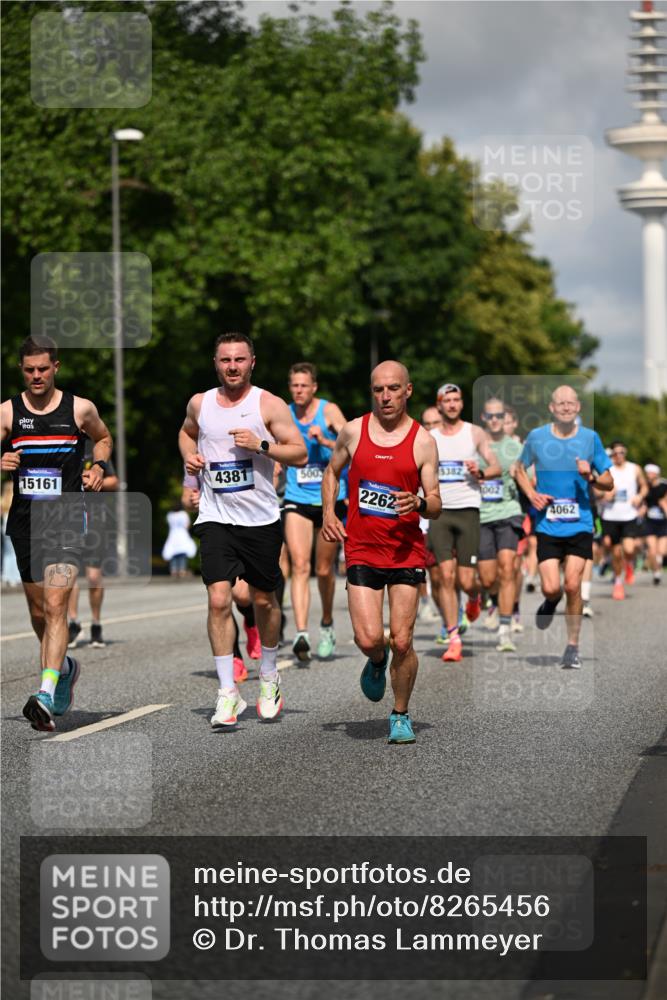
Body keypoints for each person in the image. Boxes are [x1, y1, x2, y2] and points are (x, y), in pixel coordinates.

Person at [178, 332, 307, 728]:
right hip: (215, 517)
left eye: (239, 359)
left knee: (264, 601)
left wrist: (261, 445)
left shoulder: (268, 404)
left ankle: (268, 675)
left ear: (252, 362)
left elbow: (299, 452)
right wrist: (190, 459)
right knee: (219, 600)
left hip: (260, 519)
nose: (232, 366)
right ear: (215, 364)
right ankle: (227, 692)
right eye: (225, 360)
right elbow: (185, 433)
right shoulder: (200, 403)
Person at [322, 360, 440, 745]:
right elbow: (331, 471)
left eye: (393, 389)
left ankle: (400, 714)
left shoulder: (423, 441)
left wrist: (419, 503)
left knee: (402, 641)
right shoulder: (353, 431)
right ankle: (376, 660)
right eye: (378, 390)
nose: (385, 397)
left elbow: (436, 502)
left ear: (408, 390)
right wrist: (328, 513)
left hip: (406, 551)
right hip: (362, 548)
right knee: (369, 638)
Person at [0, 336, 112, 731]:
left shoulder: (80, 408)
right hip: (25, 521)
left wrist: (98, 467)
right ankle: (64, 669)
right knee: (38, 613)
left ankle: (45, 692)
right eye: (29, 370)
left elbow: (103, 438)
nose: (37, 376)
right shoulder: (7, 413)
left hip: (67, 520)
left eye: (43, 369)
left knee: (55, 606)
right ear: (21, 370)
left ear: (56, 368)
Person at [515, 385, 613, 669]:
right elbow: (518, 469)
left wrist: (591, 476)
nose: (567, 407)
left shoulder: (590, 438)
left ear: (578, 407)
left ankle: (572, 646)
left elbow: (609, 483)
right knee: (551, 587)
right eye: (561, 403)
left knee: (573, 584)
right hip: (548, 525)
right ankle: (550, 601)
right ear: (552, 408)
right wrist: (531, 494)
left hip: (580, 524)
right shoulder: (537, 437)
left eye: (571, 403)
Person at [429, 383, 501, 663]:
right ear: (439, 405)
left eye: (456, 399)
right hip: (440, 512)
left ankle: (474, 597)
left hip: (468, 510)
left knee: (466, 579)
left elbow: (496, 466)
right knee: (445, 576)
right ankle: (453, 637)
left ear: (461, 404)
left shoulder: (475, 432)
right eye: (447, 400)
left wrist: (480, 472)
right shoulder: (429, 436)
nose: (452, 404)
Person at [283, 362, 347, 662]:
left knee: (323, 570)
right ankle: (301, 633)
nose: (298, 390)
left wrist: (325, 440)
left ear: (314, 388)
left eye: (303, 385)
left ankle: (327, 624)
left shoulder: (329, 411)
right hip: (296, 497)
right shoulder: (284, 413)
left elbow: (352, 446)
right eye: (294, 385)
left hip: (329, 500)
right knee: (299, 565)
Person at [476, 398, 524, 653]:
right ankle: (492, 599)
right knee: (487, 578)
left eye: (499, 415)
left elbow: (529, 478)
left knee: (507, 568)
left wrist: (525, 479)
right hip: (482, 515)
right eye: (490, 416)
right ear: (483, 417)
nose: (495, 420)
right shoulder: (475, 444)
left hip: (509, 512)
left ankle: (504, 630)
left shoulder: (515, 447)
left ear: (505, 417)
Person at [67, 441, 119, 648]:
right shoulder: (63, 445)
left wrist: (94, 481)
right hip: (68, 516)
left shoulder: (95, 448)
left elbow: (114, 481)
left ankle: (96, 624)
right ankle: (73, 623)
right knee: (69, 573)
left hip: (95, 517)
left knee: (94, 576)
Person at [598, 441, 648, 600]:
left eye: (622, 452)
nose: (619, 455)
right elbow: (596, 489)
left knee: (629, 549)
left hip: (629, 515)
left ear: (625, 453)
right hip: (610, 516)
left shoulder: (635, 468)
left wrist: (639, 496)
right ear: (612, 454)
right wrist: (604, 494)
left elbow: (644, 486)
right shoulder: (606, 469)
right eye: (616, 453)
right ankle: (618, 583)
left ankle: (629, 564)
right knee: (615, 551)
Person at [640, 463, 667, 584]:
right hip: (650, 522)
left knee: (662, 551)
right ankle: (656, 573)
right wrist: (642, 507)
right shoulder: (645, 487)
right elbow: (642, 500)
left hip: (663, 522)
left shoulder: (664, 485)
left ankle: (657, 566)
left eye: (651, 473)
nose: (649, 475)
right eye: (647, 473)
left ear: (656, 474)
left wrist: (664, 505)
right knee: (652, 550)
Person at [162, 501, 197, 577]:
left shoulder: (170, 515)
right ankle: (182, 570)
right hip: (182, 535)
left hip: (173, 535)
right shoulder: (183, 514)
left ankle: (173, 570)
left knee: (173, 554)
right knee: (182, 554)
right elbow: (187, 525)